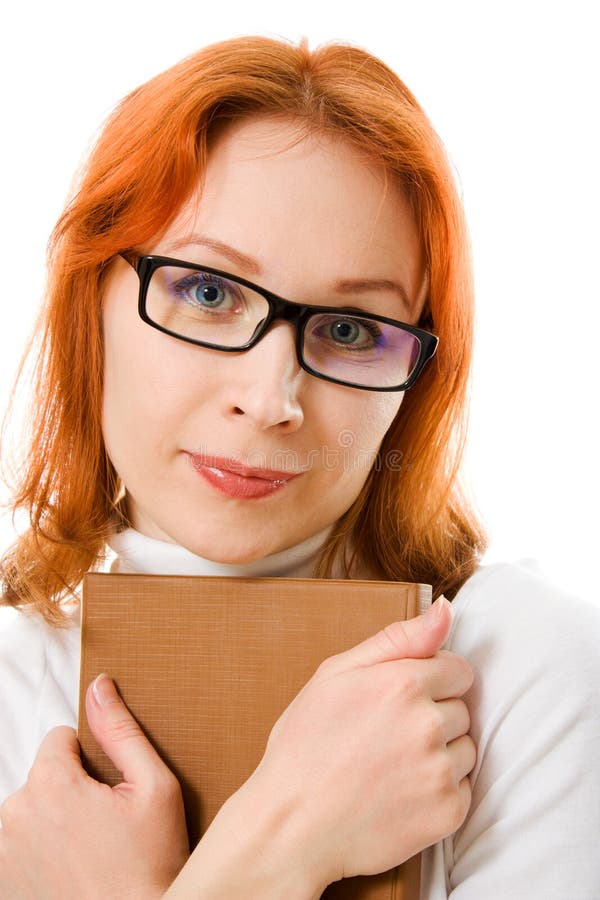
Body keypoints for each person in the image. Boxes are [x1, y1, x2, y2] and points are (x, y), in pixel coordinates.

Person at [0, 34, 598, 899]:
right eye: (208, 292)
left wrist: (269, 843)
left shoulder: (522, 672)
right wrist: (284, 845)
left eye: (351, 329)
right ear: (87, 300)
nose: (271, 396)